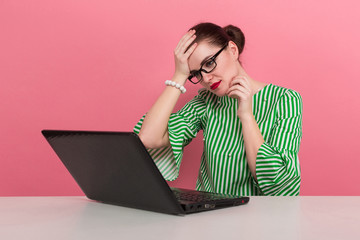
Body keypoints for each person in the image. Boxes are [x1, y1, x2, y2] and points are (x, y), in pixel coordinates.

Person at [133, 22, 302, 196]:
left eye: (209, 63)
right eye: (196, 74)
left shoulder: (285, 100)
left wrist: (246, 116)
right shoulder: (205, 101)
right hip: (209, 215)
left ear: (233, 50)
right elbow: (148, 138)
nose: (205, 78)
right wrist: (180, 74)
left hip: (259, 218)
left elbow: (279, 184)